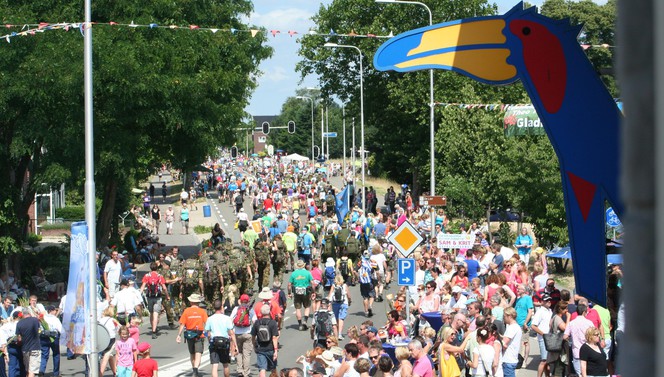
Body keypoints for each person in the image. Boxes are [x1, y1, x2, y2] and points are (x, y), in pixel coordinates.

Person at [176, 293, 209, 377]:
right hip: (199, 335)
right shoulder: (202, 311)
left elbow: (182, 324)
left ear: (191, 302)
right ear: (198, 302)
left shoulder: (186, 311)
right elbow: (207, 324)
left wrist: (179, 335)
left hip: (189, 335)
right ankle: (195, 369)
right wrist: (208, 334)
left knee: (192, 353)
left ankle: (194, 369)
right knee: (198, 353)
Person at [205, 299, 238, 377]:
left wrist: (209, 340)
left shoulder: (210, 319)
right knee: (225, 364)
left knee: (215, 365)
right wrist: (235, 345)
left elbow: (207, 332)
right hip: (224, 343)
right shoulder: (226, 318)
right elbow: (231, 333)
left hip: (214, 343)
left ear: (214, 307)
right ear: (221, 307)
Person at [564, 303, 596, 376]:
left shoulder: (571, 323)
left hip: (576, 352)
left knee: (579, 374)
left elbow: (565, 336)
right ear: (584, 312)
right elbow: (595, 335)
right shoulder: (589, 323)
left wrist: (571, 338)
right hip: (588, 352)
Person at [140, 262, 170, 339]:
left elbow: (142, 287)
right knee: (156, 313)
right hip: (158, 298)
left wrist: (139, 297)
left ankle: (153, 326)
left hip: (149, 297)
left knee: (151, 313)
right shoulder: (159, 276)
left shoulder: (147, 276)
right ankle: (154, 331)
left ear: (150, 268)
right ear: (157, 268)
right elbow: (164, 288)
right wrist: (167, 296)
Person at [231, 294, 257, 377]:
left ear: (240, 300)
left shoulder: (236, 309)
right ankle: (246, 372)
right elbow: (255, 321)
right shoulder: (250, 309)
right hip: (247, 333)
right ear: (248, 301)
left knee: (239, 352)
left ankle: (239, 370)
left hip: (237, 334)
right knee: (246, 354)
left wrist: (231, 331)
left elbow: (230, 319)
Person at [251, 305, 280, 377]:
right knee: (273, 368)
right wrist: (276, 350)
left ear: (261, 313)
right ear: (269, 312)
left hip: (260, 349)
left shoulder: (257, 323)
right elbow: (274, 338)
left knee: (262, 368)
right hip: (271, 349)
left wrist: (254, 346)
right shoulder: (272, 323)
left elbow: (253, 336)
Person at [530, 293, 554, 377]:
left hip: (549, 338)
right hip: (543, 339)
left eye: (549, 300)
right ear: (542, 302)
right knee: (544, 360)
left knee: (547, 361)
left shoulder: (550, 310)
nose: (549, 302)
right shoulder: (540, 311)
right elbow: (533, 325)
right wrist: (544, 334)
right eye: (546, 300)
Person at [288, 260, 313, 331]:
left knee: (298, 308)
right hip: (306, 292)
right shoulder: (308, 273)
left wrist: (289, 293)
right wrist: (313, 291)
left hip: (297, 292)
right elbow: (312, 283)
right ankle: (305, 321)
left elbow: (289, 284)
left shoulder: (293, 274)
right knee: (307, 307)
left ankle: (300, 324)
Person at [39, 305, 63, 377]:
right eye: (55, 310)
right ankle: (56, 373)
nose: (55, 311)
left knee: (44, 355)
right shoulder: (55, 319)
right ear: (51, 311)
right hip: (53, 338)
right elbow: (60, 329)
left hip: (43, 338)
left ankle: (42, 370)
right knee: (56, 355)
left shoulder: (43, 318)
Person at [16, 308, 41, 377]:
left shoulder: (19, 323)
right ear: (29, 313)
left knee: (28, 370)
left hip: (25, 348)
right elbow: (39, 330)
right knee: (32, 370)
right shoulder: (35, 320)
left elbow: (19, 338)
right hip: (35, 347)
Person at [328, 275, 351, 340]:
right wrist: (349, 301)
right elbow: (348, 295)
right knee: (341, 318)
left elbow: (330, 295)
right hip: (343, 303)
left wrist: (329, 304)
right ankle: (340, 334)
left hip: (335, 303)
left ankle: (335, 333)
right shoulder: (345, 285)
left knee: (336, 318)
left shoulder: (333, 286)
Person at [502, 307, 522, 377]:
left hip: (508, 360)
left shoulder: (512, 328)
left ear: (509, 316)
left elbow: (504, 343)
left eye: (504, 316)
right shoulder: (514, 327)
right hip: (511, 359)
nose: (503, 318)